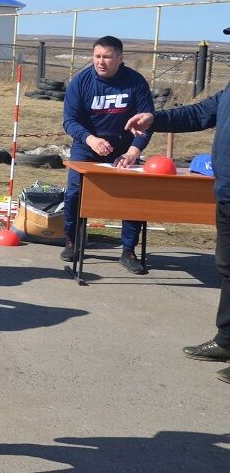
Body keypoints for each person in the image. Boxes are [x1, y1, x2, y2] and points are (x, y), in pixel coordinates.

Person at [126, 27, 230, 384]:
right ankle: (227, 340)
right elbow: (201, 113)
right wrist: (156, 118)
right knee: (227, 266)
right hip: (227, 193)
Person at [61, 35, 155, 274]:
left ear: (120, 58)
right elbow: (69, 121)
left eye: (107, 57)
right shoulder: (80, 82)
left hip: (125, 148)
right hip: (87, 144)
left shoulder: (135, 82)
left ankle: (128, 251)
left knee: (133, 195)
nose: (100, 62)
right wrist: (90, 139)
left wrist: (135, 149)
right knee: (74, 192)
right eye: (97, 56)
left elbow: (147, 121)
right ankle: (73, 240)